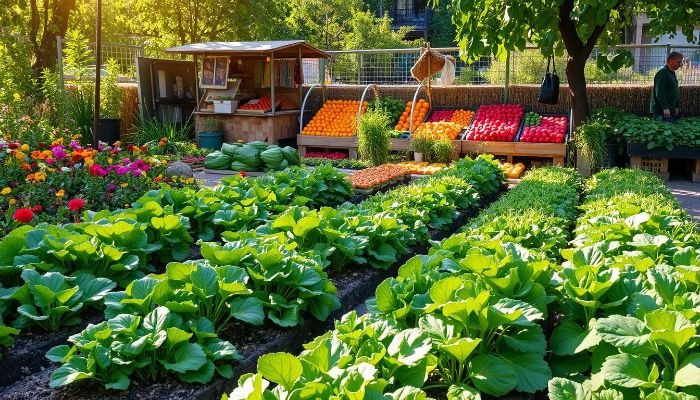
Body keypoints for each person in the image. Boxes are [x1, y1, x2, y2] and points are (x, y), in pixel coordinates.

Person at [650, 52, 683, 121]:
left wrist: (676, 106)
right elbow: (659, 92)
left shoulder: (672, 73)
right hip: (662, 112)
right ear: (670, 60)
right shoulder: (663, 73)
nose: (680, 64)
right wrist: (665, 108)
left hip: (670, 111)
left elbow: (675, 91)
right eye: (678, 62)